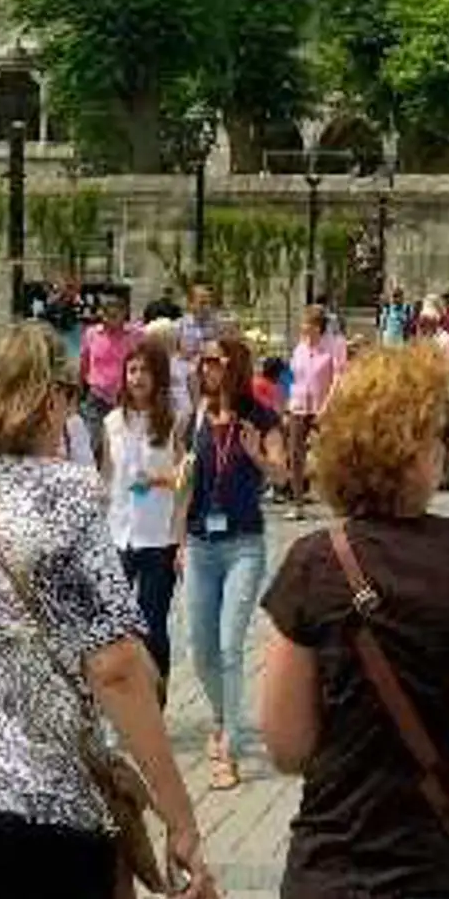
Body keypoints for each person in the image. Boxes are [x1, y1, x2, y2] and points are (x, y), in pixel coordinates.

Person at [0, 324, 214, 899]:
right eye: (69, 392)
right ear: (51, 402)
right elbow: (115, 668)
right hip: (50, 808)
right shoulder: (70, 494)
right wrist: (180, 817)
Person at [258, 340, 449, 899]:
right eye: (439, 436)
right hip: (418, 876)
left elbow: (287, 746)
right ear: (418, 450)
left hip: (322, 873)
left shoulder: (312, 562)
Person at [181, 327, 281, 789]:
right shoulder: (197, 416)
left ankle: (229, 745)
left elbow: (283, 474)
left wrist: (256, 456)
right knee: (199, 648)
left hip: (243, 543)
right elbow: (186, 484)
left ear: (234, 366)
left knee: (228, 645)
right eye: (203, 361)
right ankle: (223, 715)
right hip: (200, 544)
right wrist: (178, 542)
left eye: (214, 360)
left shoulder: (260, 417)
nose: (206, 368)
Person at [104, 345, 186, 692]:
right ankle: (125, 698)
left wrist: (156, 480)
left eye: (145, 370)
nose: (137, 377)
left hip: (158, 536)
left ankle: (156, 696)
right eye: (132, 370)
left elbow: (185, 479)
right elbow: (107, 476)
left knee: (152, 623)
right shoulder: (112, 422)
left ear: (158, 377)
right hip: (119, 534)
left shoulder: (172, 421)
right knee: (117, 624)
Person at [280, 306, 345, 518]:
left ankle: (339, 499)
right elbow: (289, 375)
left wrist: (327, 405)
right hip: (298, 405)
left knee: (331, 455)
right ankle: (297, 502)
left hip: (322, 407)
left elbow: (338, 377)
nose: (302, 327)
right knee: (295, 454)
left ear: (317, 327)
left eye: (306, 323)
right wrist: (285, 401)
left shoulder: (334, 345)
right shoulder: (300, 347)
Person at [77, 294, 137, 447]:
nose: (109, 319)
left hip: (124, 397)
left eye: (114, 315)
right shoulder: (91, 334)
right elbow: (83, 363)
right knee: (92, 440)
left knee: (120, 443)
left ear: (124, 314)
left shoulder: (134, 335)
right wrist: (79, 390)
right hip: (97, 397)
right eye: (106, 314)